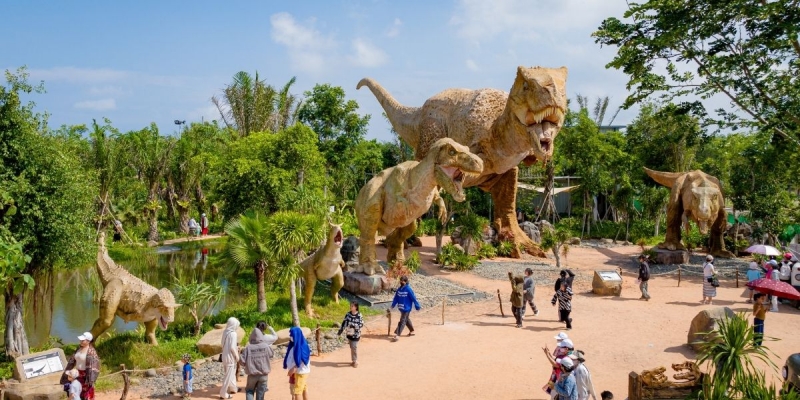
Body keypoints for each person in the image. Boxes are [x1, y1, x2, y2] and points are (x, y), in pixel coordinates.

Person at [240, 321, 278, 400]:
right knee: (261, 393)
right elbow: (271, 354)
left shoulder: (248, 348)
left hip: (252, 375)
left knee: (249, 391)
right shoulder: (265, 346)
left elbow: (242, 361)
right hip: (264, 374)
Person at [61, 332, 100, 400]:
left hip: (86, 375)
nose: (80, 341)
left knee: (85, 393)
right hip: (76, 374)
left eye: (83, 340)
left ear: (88, 341)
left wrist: (91, 379)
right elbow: (72, 361)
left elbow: (95, 367)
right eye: (80, 340)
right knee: (75, 391)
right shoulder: (78, 348)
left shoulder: (92, 352)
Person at [390, 275, 421, 341]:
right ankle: (412, 331)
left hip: (407, 308)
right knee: (406, 319)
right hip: (401, 308)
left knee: (402, 320)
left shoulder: (408, 289)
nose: (401, 282)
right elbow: (396, 298)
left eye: (402, 281)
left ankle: (397, 335)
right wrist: (393, 305)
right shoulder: (399, 289)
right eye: (400, 281)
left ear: (406, 281)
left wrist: (417, 306)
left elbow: (413, 298)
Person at [284, 326, 311, 400]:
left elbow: (303, 359)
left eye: (292, 335)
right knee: (304, 388)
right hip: (299, 372)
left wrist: (293, 368)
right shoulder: (295, 344)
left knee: (297, 392)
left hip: (301, 372)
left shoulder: (302, 346)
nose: (290, 336)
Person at [337, 302, 364, 367]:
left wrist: (354, 326)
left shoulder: (359, 315)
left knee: (354, 347)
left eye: (352, 306)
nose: (350, 307)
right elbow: (344, 323)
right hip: (349, 334)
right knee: (352, 347)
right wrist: (340, 331)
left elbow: (361, 324)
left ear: (356, 307)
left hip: (356, 334)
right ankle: (353, 360)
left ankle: (355, 361)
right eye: (350, 306)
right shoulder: (348, 314)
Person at [219, 317, 240, 399]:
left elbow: (222, 344)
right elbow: (232, 347)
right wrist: (237, 356)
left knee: (231, 373)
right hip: (230, 357)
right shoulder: (233, 334)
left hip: (224, 356)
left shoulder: (225, 332)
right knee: (228, 376)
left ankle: (233, 388)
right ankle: (223, 393)